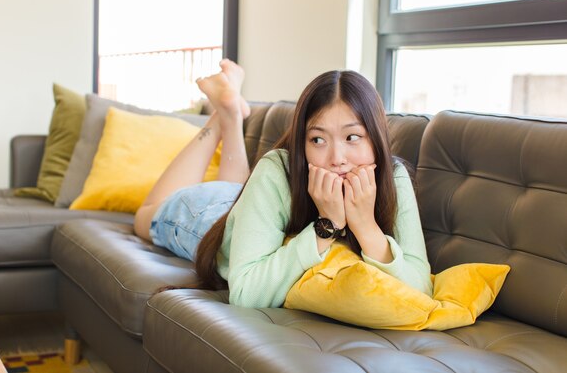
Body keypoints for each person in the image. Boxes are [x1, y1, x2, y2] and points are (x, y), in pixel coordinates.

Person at [134, 59, 433, 308]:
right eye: (317, 139)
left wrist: (365, 225)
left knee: (239, 191)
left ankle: (230, 113)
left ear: (375, 138)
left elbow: (421, 289)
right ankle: (222, 116)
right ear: (301, 144)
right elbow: (245, 293)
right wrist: (327, 224)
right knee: (143, 216)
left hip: (248, 207)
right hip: (208, 217)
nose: (336, 158)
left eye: (352, 137)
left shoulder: (393, 177)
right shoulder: (278, 169)